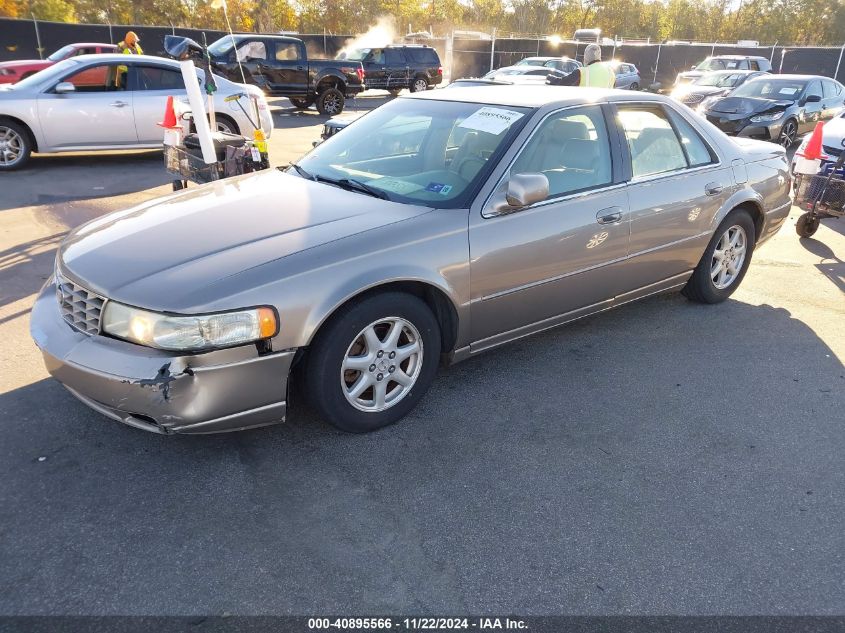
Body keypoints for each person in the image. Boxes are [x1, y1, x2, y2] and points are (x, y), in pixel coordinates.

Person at [547, 43, 616, 88]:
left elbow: (563, 82)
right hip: (603, 109)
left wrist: (551, 78)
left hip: (584, 108)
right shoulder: (611, 72)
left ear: (585, 57)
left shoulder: (582, 72)